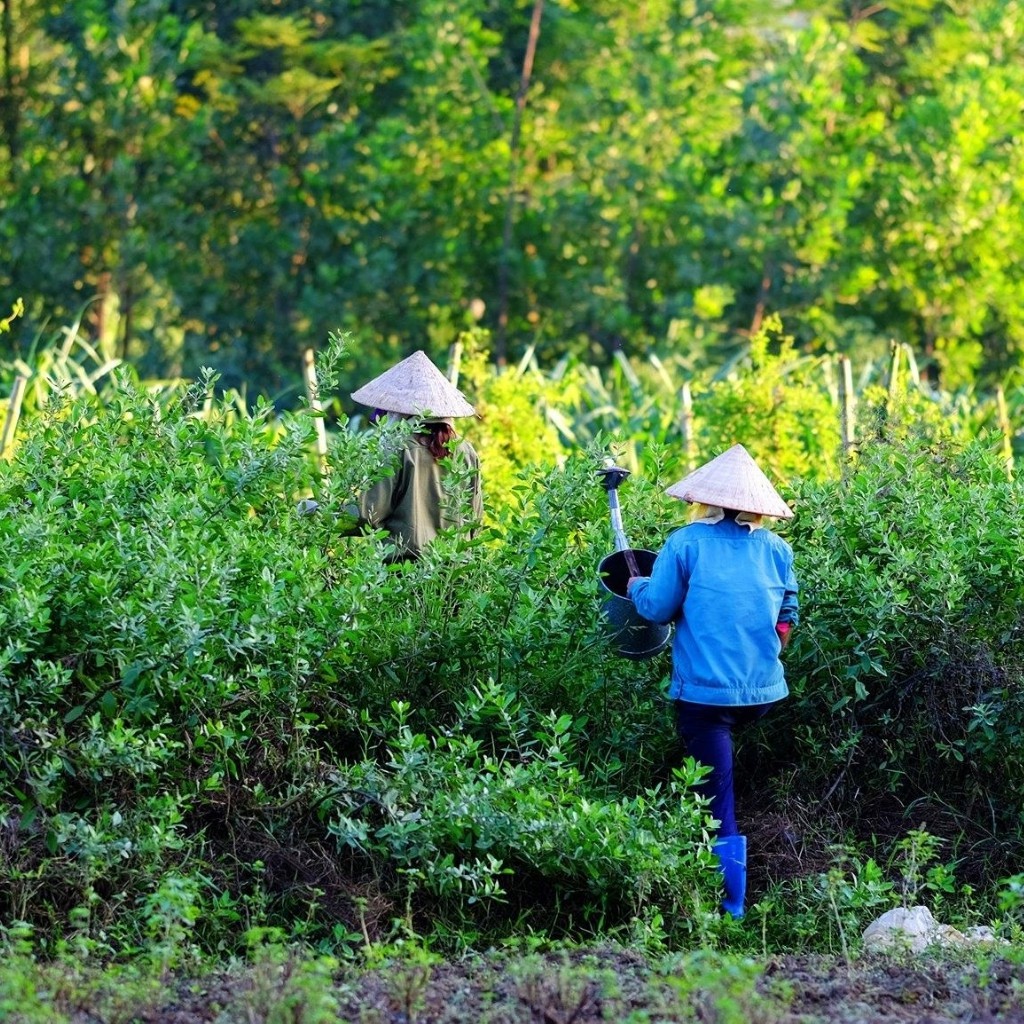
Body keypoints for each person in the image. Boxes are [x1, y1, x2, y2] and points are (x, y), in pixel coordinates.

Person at [626, 443, 798, 920]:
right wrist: (768, 651)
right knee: (719, 765)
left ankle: (732, 911)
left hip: (706, 699)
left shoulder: (685, 544)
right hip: (764, 692)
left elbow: (657, 609)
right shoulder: (777, 548)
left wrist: (635, 586)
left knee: (716, 797)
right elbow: (789, 613)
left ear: (705, 502)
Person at [347, 350, 482, 561]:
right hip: (456, 573)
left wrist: (321, 513)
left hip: (406, 574)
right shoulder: (466, 451)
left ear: (399, 411)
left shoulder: (396, 448)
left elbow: (369, 515)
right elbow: (475, 519)